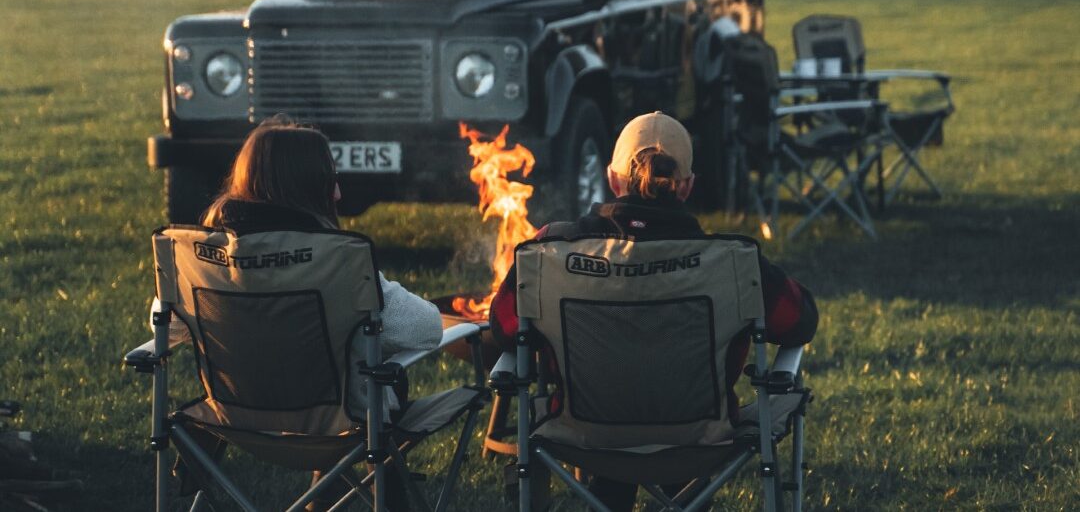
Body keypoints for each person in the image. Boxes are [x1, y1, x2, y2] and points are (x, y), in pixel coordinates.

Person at [489, 111, 819, 512]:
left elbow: (504, 328)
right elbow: (799, 321)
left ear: (612, 180)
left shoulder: (550, 249)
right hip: (701, 436)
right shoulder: (733, 261)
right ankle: (685, 500)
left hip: (586, 436)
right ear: (687, 187)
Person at [151, 117, 443, 509]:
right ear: (313, 187)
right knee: (371, 367)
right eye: (331, 178)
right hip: (340, 431)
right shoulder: (338, 261)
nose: (338, 193)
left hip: (233, 424)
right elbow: (426, 328)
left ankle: (319, 501)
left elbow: (161, 329)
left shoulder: (197, 258)